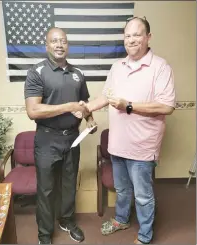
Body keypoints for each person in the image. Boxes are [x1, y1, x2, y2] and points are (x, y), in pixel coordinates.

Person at [75, 17, 175, 244]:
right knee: (122, 189)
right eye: (128, 35)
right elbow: (107, 96)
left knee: (142, 195)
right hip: (117, 144)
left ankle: (145, 235)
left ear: (148, 37)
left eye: (137, 35)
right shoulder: (117, 67)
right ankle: (121, 219)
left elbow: (167, 106)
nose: (132, 40)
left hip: (143, 146)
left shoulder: (160, 67)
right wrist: (86, 108)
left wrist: (129, 105)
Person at [24, 27, 97, 244]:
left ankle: (67, 221)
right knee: (46, 189)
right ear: (46, 45)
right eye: (54, 41)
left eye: (63, 41)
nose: (59, 45)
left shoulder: (78, 74)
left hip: (72, 139)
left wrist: (89, 120)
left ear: (68, 45)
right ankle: (44, 234)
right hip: (47, 139)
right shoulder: (36, 72)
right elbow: (33, 111)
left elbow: (83, 105)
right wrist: (67, 107)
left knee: (68, 184)